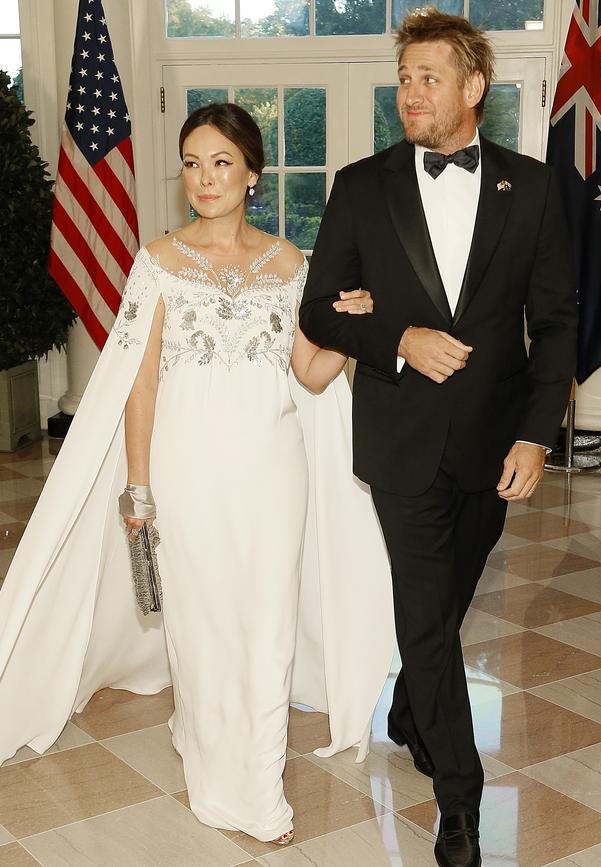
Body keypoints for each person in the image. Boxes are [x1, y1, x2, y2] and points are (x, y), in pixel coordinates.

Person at [0, 103, 395, 845]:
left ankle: (259, 778)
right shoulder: (159, 261)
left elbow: (309, 374)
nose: (205, 178)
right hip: (186, 471)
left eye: (221, 162)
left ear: (252, 172)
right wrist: (139, 486)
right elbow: (138, 383)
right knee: (202, 624)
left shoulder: (290, 265)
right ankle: (222, 774)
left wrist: (353, 328)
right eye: (192, 163)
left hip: (274, 474)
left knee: (268, 623)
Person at [299, 8, 578, 867]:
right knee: (423, 613)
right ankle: (458, 802)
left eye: (427, 76)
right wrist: (396, 341)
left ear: (473, 89)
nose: (408, 91)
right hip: (402, 440)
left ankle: (415, 709)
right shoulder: (360, 184)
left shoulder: (530, 188)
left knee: (447, 605)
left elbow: (558, 323)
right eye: (404, 76)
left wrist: (537, 436)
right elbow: (316, 309)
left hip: (495, 447)